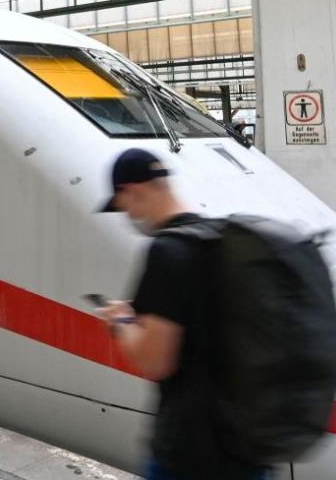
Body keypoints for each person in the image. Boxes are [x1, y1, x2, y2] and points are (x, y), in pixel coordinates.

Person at [96, 148, 268, 480]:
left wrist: (121, 321)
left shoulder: (167, 252)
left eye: (123, 206)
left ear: (134, 190)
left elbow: (156, 361)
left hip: (192, 449)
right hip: (248, 443)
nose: (128, 215)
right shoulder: (221, 238)